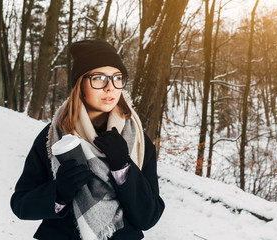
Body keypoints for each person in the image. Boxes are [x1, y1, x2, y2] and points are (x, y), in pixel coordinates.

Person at [10, 39, 165, 240]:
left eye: (117, 78)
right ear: (80, 83)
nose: (110, 87)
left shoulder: (136, 140)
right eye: (99, 78)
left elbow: (148, 217)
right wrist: (58, 192)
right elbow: (21, 205)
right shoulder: (52, 137)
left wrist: (124, 168)